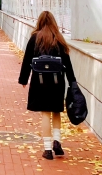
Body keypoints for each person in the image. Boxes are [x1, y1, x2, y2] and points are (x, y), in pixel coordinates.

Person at [18, 11, 76, 160]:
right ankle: (57, 141)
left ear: (40, 22)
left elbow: (27, 60)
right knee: (56, 111)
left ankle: (48, 149)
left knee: (45, 113)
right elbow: (67, 64)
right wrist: (73, 82)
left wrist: (24, 79)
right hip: (58, 82)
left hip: (40, 81)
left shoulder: (35, 38)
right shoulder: (59, 38)